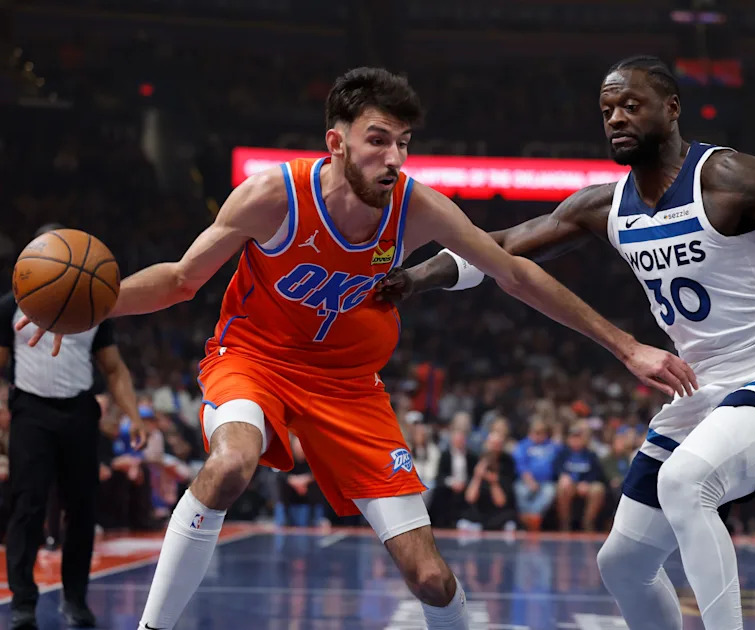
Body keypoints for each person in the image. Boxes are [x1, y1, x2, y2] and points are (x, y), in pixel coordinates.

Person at [20, 67, 692, 630]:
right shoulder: (270, 195)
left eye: (403, 142)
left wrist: (625, 344)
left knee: (430, 580)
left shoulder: (418, 207)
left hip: (350, 388)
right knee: (230, 465)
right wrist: (95, 305)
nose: (394, 158)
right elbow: (179, 281)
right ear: (335, 143)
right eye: (378, 141)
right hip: (254, 360)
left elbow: (513, 272)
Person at [374, 55, 755, 629]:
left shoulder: (727, 179)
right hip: (700, 391)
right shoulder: (605, 206)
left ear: (671, 109)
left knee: (686, 483)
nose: (617, 118)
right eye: (608, 109)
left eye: (632, 104)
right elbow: (498, 246)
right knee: (623, 563)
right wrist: (415, 277)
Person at [1, 224, 146, 630]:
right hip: (30, 411)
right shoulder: (8, 306)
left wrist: (133, 416)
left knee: (82, 509)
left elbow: (113, 368)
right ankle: (23, 601)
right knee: (27, 506)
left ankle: (75, 599)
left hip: (80, 412)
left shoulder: (94, 306)